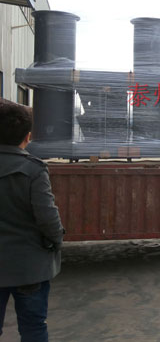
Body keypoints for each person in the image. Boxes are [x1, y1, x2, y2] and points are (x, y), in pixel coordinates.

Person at [0, 98, 64, 342]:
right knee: (33, 328)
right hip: (28, 267)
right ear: (27, 137)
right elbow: (47, 218)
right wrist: (57, 241)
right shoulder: (33, 169)